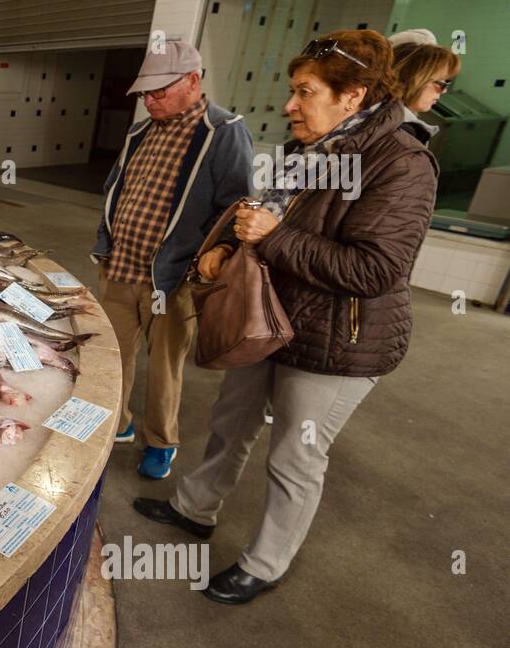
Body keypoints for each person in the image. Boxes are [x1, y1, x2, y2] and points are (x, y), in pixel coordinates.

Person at [135, 29, 438, 604]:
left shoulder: (402, 162)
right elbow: (272, 215)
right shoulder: (317, 147)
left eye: (304, 92)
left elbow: (375, 271)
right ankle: (195, 509)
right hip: (273, 319)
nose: (289, 105)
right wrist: (233, 244)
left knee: (294, 455)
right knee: (231, 420)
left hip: (338, 341)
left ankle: (266, 562)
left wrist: (271, 241)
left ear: (354, 96)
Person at [92, 41, 252, 480]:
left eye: (159, 92)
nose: (150, 101)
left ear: (193, 81)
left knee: (165, 367)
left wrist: (211, 256)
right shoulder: (139, 132)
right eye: (145, 93)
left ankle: (161, 442)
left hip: (171, 279)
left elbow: (235, 204)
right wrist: (105, 241)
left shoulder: (223, 131)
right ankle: (117, 427)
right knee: (111, 359)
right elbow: (115, 188)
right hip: (120, 268)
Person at [390, 33, 461, 145]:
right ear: (413, 78)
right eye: (441, 83)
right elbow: (355, 161)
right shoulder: (399, 134)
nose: (444, 90)